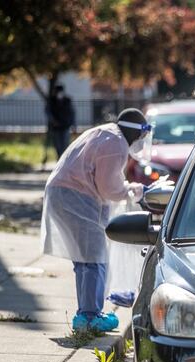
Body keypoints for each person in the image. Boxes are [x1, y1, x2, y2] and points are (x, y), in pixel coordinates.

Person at [41, 108, 149, 332]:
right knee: (94, 257)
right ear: (136, 133)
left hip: (65, 194)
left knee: (85, 259)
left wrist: (129, 189)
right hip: (75, 197)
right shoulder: (116, 144)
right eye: (141, 135)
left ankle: (85, 314)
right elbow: (110, 189)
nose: (141, 141)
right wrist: (136, 190)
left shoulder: (107, 134)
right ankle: (90, 316)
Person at [46, 85, 76, 158]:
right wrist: (53, 121)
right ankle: (59, 159)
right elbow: (48, 112)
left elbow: (72, 113)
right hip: (56, 127)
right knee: (58, 146)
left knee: (65, 144)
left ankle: (65, 159)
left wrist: (74, 125)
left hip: (66, 126)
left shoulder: (67, 100)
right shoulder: (51, 101)